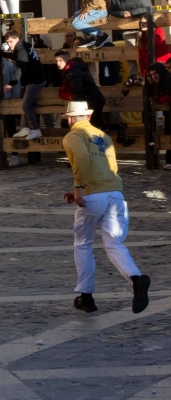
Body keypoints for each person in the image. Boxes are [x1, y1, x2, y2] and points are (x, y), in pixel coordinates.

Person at [62, 101, 150, 314]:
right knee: (114, 244)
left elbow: (82, 158)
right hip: (115, 193)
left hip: (92, 195)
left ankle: (87, 297)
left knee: (83, 244)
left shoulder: (73, 136)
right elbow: (110, 167)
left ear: (69, 118)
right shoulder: (104, 136)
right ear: (89, 117)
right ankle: (137, 279)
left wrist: (79, 188)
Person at [3, 30, 47, 141]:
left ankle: (35, 129)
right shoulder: (23, 47)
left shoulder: (22, 50)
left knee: (26, 105)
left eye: (11, 41)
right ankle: (27, 128)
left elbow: (19, 69)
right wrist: (2, 53)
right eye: (7, 42)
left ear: (17, 39)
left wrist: (11, 83)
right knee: (27, 104)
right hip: (34, 80)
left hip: (35, 81)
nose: (9, 44)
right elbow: (16, 57)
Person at [56, 51, 106, 129]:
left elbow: (78, 92)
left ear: (67, 60)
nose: (58, 63)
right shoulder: (73, 70)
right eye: (57, 61)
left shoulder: (72, 73)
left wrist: (76, 110)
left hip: (92, 101)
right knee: (97, 125)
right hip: (95, 99)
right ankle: (118, 127)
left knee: (92, 126)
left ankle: (117, 128)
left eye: (60, 60)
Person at [146, 63, 171, 170]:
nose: (154, 76)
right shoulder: (159, 83)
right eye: (151, 74)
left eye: (155, 73)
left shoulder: (168, 80)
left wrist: (159, 101)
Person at [138, 13, 171, 78]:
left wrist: (150, 32)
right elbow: (141, 59)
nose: (142, 25)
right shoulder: (141, 38)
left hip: (164, 66)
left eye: (145, 23)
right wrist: (145, 73)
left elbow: (157, 39)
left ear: (150, 24)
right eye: (141, 23)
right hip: (152, 70)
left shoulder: (158, 30)